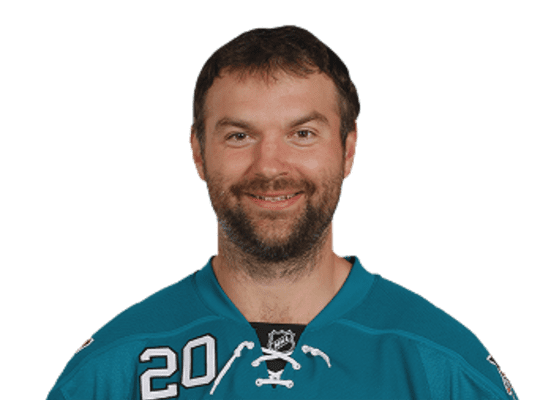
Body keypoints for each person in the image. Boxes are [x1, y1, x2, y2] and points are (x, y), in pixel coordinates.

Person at [46, 25, 518, 399]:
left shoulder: (442, 365)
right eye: (239, 136)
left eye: (302, 134)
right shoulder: (113, 369)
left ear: (348, 149)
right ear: (198, 152)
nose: (270, 166)